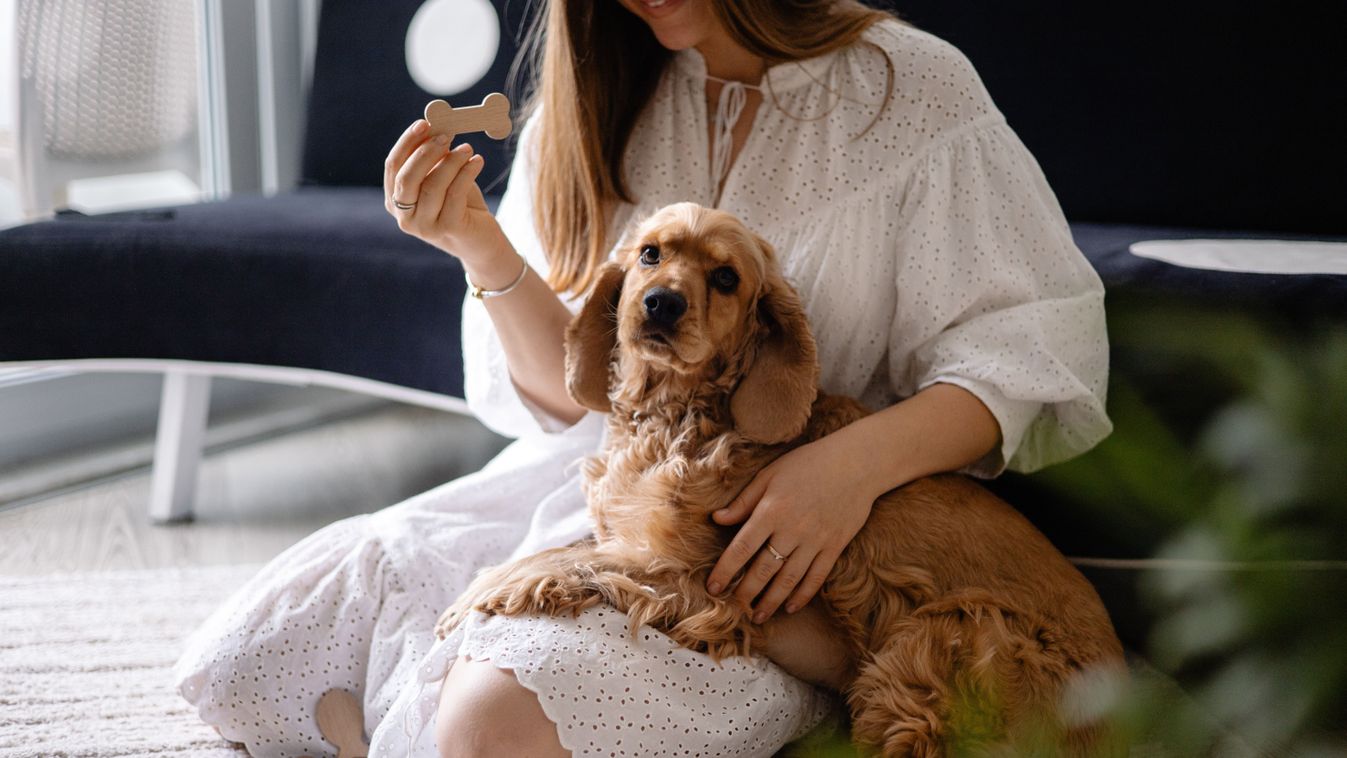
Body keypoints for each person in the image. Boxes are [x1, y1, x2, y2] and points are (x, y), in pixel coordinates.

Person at [173, 1, 1113, 756]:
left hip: (792, 563)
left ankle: (834, 687)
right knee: (257, 650)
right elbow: (572, 389)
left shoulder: (910, 90)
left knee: (486, 726)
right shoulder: (599, 87)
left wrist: (847, 469)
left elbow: (1028, 351)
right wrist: (473, 239)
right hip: (601, 484)